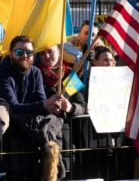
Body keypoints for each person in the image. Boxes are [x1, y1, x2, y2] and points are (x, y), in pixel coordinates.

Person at [0, 36, 65, 180]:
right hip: (12, 140)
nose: (24, 56)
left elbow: (41, 101)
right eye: (19, 52)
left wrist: (52, 105)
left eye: (29, 53)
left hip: (32, 136)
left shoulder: (35, 72)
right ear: (10, 53)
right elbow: (13, 106)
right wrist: (43, 105)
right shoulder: (2, 72)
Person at [36, 45, 87, 172]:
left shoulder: (69, 75)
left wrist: (70, 108)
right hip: (41, 136)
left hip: (66, 137)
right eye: (42, 53)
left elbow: (81, 105)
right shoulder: (33, 73)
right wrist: (46, 106)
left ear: (59, 52)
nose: (47, 56)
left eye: (50, 52)